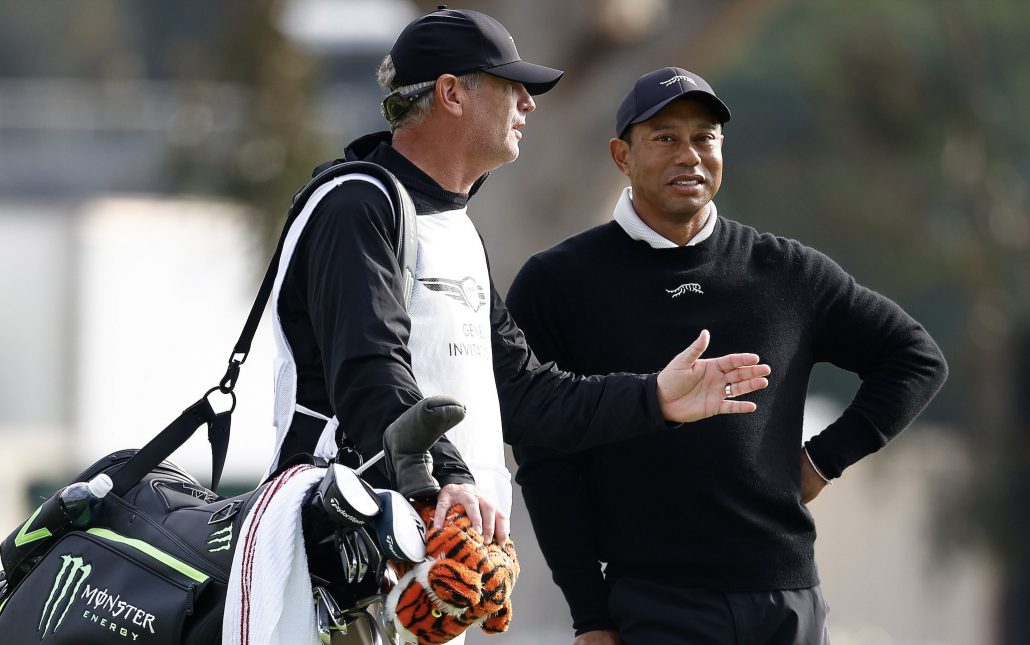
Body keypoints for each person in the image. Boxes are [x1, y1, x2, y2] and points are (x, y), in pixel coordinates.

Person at [270, 10, 770, 555]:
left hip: (424, 545)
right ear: (451, 93)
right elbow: (370, 372)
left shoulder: (453, 227)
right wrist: (449, 479)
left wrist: (654, 397)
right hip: (334, 550)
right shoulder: (356, 205)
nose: (529, 104)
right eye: (512, 88)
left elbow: (526, 394)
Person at [506, 66, 949, 645]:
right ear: (621, 155)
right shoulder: (557, 282)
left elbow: (916, 358)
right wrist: (589, 615)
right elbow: (544, 458)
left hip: (787, 597)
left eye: (704, 137)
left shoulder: (788, 271)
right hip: (653, 603)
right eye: (665, 137)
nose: (688, 154)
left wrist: (821, 461)